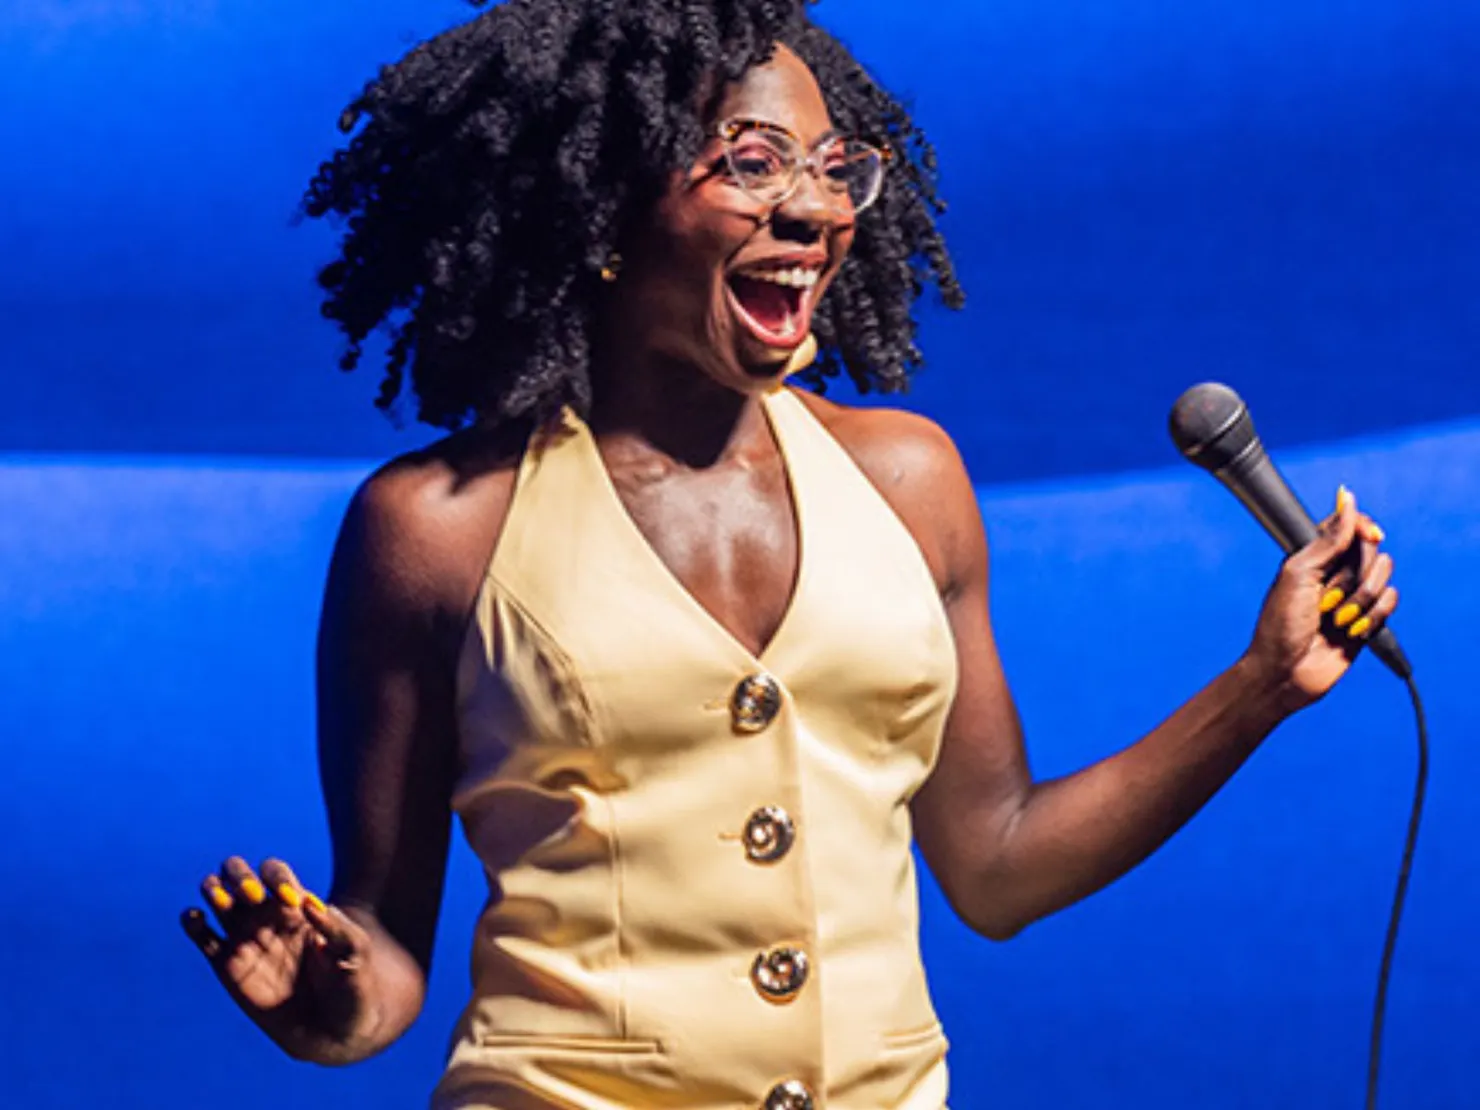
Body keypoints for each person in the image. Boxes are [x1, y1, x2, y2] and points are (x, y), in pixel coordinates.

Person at [179, 2, 1399, 1108]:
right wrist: (334, 1009)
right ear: (605, 211)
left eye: (831, 167)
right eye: (752, 164)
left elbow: (998, 868)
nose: (815, 211)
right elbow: (386, 945)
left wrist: (1259, 688)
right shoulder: (437, 529)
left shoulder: (908, 483)